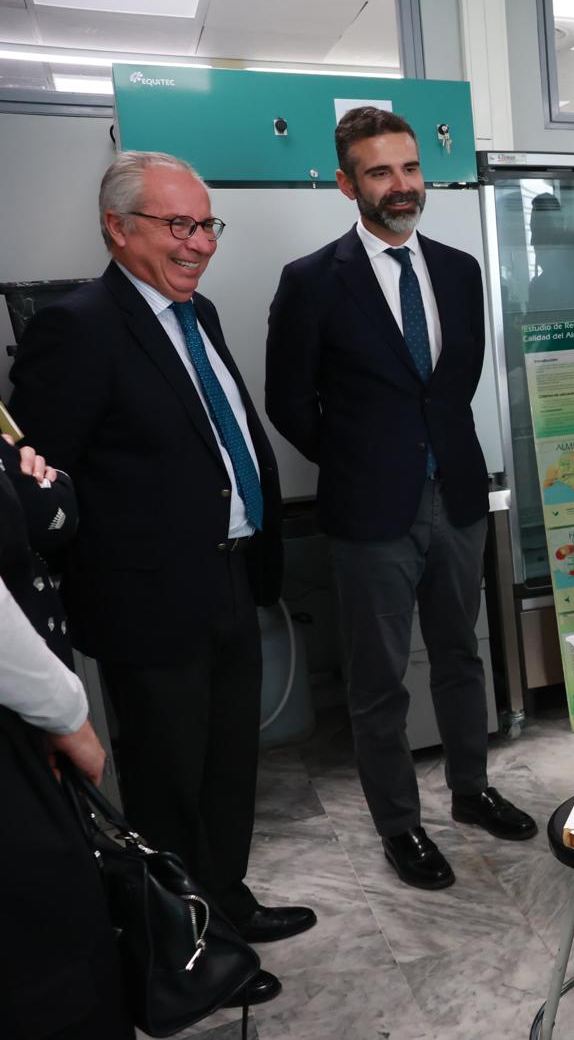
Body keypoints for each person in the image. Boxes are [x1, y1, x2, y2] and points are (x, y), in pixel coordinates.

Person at [8, 151, 312, 1009]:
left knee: (227, 766)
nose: (200, 244)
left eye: (207, 224)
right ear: (118, 227)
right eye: (179, 225)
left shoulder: (198, 311)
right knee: (168, 780)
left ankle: (230, 902)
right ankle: (188, 945)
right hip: (147, 598)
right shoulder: (76, 327)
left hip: (227, 574)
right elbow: (46, 490)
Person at [266, 107, 536, 893]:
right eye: (380, 172)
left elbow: (455, 382)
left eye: (410, 168)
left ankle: (472, 789)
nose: (401, 186)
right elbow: (289, 403)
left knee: (461, 655)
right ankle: (400, 824)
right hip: (369, 510)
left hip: (455, 493)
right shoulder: (312, 280)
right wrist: (359, 460)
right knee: (379, 678)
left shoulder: (458, 269)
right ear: (347, 183)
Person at [0, 435, 130, 1038]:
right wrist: (69, 718)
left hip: (27, 710)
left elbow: (53, 509)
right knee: (58, 966)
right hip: (19, 724)